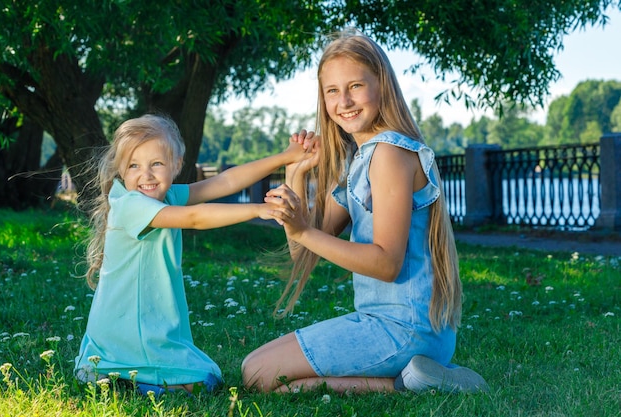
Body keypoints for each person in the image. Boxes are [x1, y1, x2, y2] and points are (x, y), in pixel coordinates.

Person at [241, 30, 489, 394]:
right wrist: (297, 172)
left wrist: (304, 231)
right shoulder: (362, 159)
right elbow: (303, 251)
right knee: (256, 371)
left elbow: (386, 263)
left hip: (404, 330)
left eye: (355, 86)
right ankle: (419, 378)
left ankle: (405, 384)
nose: (344, 101)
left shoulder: (389, 154)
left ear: (382, 86)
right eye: (332, 91)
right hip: (388, 324)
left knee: (260, 374)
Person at [74, 113, 315, 396]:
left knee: (207, 376)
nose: (146, 175)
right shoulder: (131, 205)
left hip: (144, 330)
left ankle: (121, 376)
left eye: (157, 164)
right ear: (121, 170)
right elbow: (194, 218)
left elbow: (225, 182)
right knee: (204, 382)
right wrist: (257, 209)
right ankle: (119, 378)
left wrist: (285, 157)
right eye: (134, 165)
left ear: (176, 165)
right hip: (125, 336)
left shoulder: (167, 196)